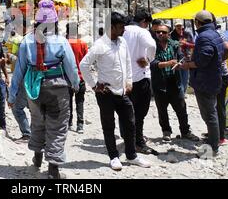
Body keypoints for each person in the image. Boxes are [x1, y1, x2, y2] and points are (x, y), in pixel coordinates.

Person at [8, 0, 79, 179]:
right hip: (58, 89)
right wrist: (76, 84)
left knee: (37, 123)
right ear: (54, 23)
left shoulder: (27, 41)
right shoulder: (61, 41)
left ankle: (37, 160)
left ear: (37, 23)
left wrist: (12, 94)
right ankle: (53, 169)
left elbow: (19, 70)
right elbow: (71, 67)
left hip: (34, 89)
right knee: (58, 126)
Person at [80, 12, 151, 171]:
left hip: (123, 91)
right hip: (106, 92)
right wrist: (93, 85)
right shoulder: (100, 45)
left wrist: (129, 81)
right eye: (120, 27)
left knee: (130, 123)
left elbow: (127, 62)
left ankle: (131, 155)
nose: (124, 30)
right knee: (109, 125)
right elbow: (84, 65)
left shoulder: (123, 42)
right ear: (111, 27)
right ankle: (113, 157)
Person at [180, 10, 224, 155]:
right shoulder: (214, 33)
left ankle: (212, 148)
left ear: (197, 22)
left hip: (205, 81)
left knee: (209, 115)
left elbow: (202, 60)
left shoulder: (204, 36)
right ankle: (214, 140)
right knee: (212, 112)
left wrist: (188, 65)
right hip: (213, 78)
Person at [151, 24, 199, 142]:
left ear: (168, 33)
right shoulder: (152, 46)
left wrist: (180, 62)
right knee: (162, 110)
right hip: (159, 82)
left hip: (174, 81)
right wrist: (168, 63)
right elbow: (152, 63)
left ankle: (185, 131)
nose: (160, 34)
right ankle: (166, 131)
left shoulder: (174, 45)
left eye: (163, 32)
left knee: (181, 108)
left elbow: (181, 56)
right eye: (158, 32)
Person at [122, 10, 157, 154]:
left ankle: (128, 137)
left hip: (124, 78)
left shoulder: (122, 30)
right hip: (140, 77)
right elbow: (152, 46)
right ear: (144, 22)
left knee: (126, 111)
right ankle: (138, 142)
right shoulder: (142, 31)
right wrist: (149, 59)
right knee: (140, 113)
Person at [211, 15, 228, 145]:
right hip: (221, 75)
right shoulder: (216, 34)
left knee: (218, 106)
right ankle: (217, 132)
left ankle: (220, 136)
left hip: (220, 75)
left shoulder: (216, 34)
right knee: (216, 105)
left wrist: (218, 61)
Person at [65, 23, 88, 133]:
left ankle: (69, 123)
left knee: (68, 101)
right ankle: (80, 125)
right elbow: (86, 61)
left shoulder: (65, 43)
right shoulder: (83, 44)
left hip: (67, 78)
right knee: (80, 101)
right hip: (81, 77)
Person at [170, 20, 194, 95]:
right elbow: (170, 45)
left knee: (185, 76)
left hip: (187, 57)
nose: (179, 28)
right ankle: (180, 92)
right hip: (176, 57)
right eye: (177, 26)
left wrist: (186, 43)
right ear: (175, 27)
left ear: (182, 26)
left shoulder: (187, 34)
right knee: (178, 76)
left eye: (180, 26)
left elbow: (193, 44)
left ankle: (183, 92)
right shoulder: (172, 35)